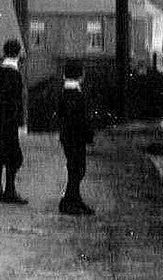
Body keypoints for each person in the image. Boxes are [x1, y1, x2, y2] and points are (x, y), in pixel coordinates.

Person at [0, 39, 27, 204]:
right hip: (10, 121)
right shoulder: (16, 75)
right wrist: (19, 120)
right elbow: (17, 101)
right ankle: (10, 190)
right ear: (18, 54)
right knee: (14, 155)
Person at [57, 60, 95, 215]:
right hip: (76, 137)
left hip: (67, 136)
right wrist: (89, 136)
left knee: (74, 168)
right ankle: (69, 200)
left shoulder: (64, 93)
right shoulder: (77, 95)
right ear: (81, 76)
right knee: (78, 169)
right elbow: (83, 119)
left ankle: (74, 198)